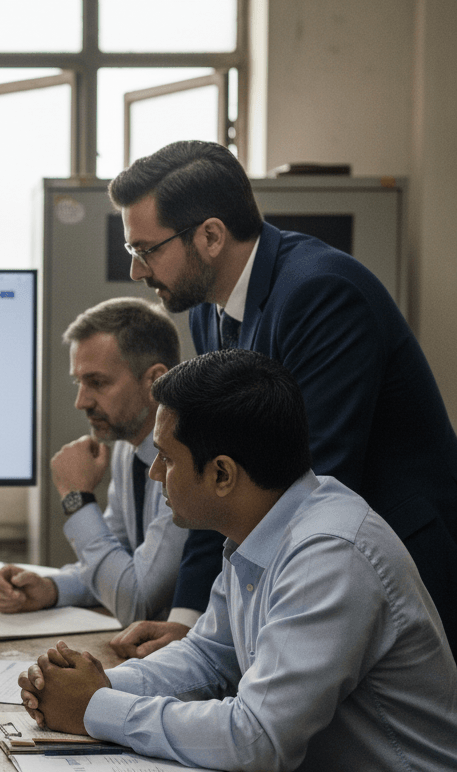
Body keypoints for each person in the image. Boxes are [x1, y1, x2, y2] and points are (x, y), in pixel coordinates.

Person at [18, 350, 457, 772]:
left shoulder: (330, 554)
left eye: (166, 457)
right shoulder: (263, 527)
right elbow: (207, 656)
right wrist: (93, 684)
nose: (156, 474)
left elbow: (260, 736)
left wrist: (96, 708)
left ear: (223, 474)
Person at [106, 139, 457, 659]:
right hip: (313, 560)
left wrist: (212, 640)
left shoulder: (322, 293)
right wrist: (190, 619)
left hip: (397, 568)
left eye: (145, 250)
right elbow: (207, 474)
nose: (136, 271)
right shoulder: (209, 309)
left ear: (210, 236)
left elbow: (309, 480)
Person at [0, 298, 189, 627]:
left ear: (155, 380)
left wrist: (76, 497)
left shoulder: (186, 459)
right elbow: (115, 563)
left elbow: (136, 601)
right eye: (78, 382)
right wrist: (51, 588)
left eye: (97, 383)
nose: (81, 401)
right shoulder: (129, 448)